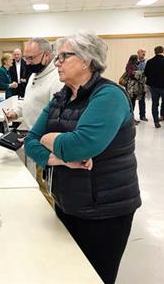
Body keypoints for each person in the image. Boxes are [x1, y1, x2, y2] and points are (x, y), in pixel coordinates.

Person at [25, 31, 141, 284]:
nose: (57, 62)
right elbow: (29, 142)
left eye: (64, 56)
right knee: (67, 274)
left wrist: (49, 139)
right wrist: (58, 159)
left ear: (87, 60)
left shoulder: (109, 96)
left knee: (94, 277)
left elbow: (80, 146)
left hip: (105, 209)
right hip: (67, 201)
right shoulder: (62, 97)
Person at [5, 38, 64, 178]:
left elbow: (56, 118)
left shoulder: (57, 79)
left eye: (31, 58)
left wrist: (37, 138)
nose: (27, 62)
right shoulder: (34, 74)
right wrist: (17, 112)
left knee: (43, 188)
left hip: (45, 143)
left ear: (47, 55)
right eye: (26, 58)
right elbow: (29, 99)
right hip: (33, 136)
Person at [144, 46, 164, 128]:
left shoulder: (149, 62)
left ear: (155, 52)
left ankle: (156, 122)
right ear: (163, 51)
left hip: (153, 86)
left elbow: (146, 73)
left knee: (155, 104)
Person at [124, 54, 145, 124]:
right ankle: (130, 120)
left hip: (133, 87)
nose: (138, 60)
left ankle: (132, 118)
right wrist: (140, 73)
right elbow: (131, 74)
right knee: (131, 103)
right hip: (131, 87)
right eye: (136, 59)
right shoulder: (130, 66)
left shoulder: (133, 65)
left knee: (133, 103)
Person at [136, 48, 148, 121]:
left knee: (142, 100)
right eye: (142, 52)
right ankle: (132, 116)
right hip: (134, 84)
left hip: (143, 84)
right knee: (133, 100)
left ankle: (142, 115)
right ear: (138, 53)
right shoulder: (135, 62)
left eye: (144, 52)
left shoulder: (147, 62)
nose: (143, 53)